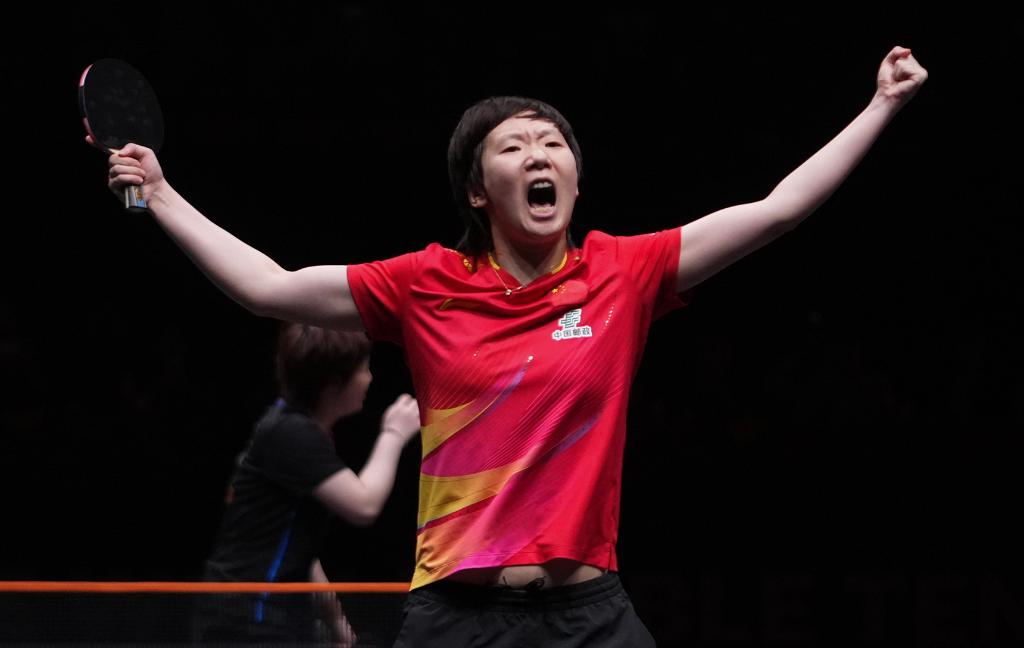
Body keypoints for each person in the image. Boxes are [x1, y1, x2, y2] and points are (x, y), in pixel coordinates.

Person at [94, 46, 927, 646]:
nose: (539, 154)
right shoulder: (424, 283)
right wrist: (161, 195)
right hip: (457, 619)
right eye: (515, 145)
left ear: (574, 178)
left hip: (589, 616)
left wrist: (881, 106)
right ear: (476, 189)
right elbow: (268, 287)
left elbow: (778, 209)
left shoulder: (624, 272)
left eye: (553, 144)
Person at [195, 323, 420, 646]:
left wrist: (336, 623)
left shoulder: (298, 430)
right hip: (251, 616)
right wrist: (393, 434)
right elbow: (364, 505)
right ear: (333, 384)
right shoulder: (291, 434)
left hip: (267, 612)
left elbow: (302, 550)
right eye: (363, 369)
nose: (370, 378)